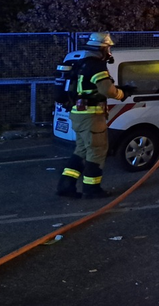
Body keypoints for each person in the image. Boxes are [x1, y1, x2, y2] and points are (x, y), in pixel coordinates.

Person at [56, 32, 128, 199]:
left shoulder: (81, 64)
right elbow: (106, 90)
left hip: (78, 115)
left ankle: (65, 185)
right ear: (103, 48)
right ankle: (91, 188)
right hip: (91, 117)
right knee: (97, 151)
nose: (109, 52)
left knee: (81, 150)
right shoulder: (97, 65)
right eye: (108, 48)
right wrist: (121, 94)